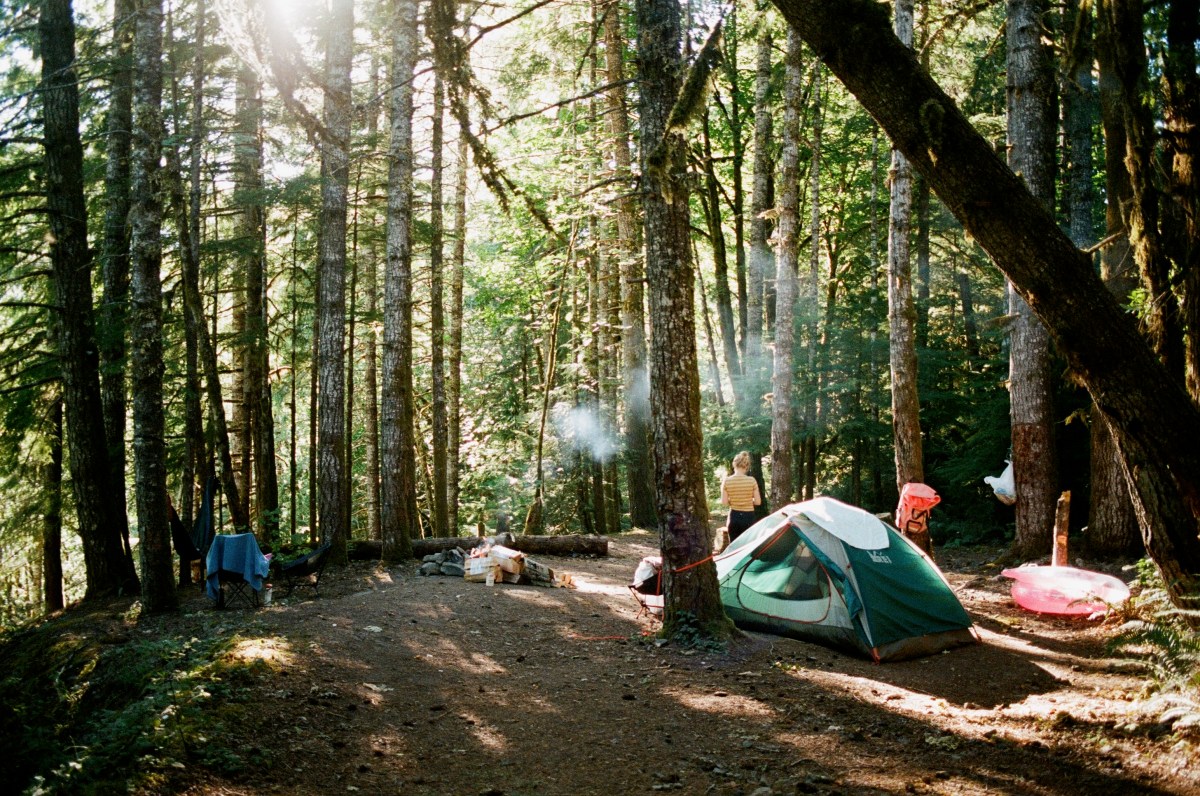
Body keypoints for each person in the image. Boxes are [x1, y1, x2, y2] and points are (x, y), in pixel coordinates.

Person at [720, 451, 762, 543]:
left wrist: (735, 501)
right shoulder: (752, 480)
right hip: (748, 517)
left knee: (734, 547)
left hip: (734, 516)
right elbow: (758, 502)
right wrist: (747, 500)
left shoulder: (726, 481)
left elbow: (724, 502)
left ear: (734, 464)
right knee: (747, 546)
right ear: (746, 466)